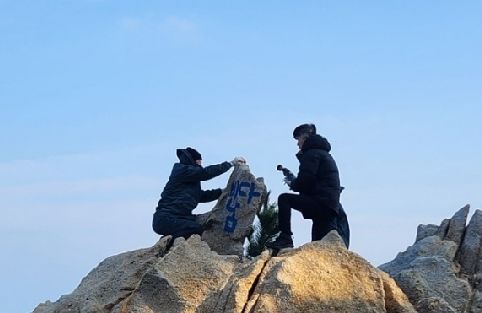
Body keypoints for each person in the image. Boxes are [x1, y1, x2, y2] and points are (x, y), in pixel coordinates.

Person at [267, 123, 345, 250]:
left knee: (284, 199)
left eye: (298, 139)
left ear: (305, 137)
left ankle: (285, 238)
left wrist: (294, 184)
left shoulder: (312, 154)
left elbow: (305, 181)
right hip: (329, 206)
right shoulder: (324, 154)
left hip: (321, 203)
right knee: (320, 245)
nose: (297, 144)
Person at [152, 147, 246, 239]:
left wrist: (223, 191)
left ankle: (173, 242)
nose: (200, 164)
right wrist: (230, 164)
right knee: (196, 229)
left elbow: (202, 196)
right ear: (192, 160)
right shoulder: (182, 171)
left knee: (208, 222)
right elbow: (205, 173)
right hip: (166, 219)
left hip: (181, 218)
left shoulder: (190, 182)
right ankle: (173, 246)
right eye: (198, 161)